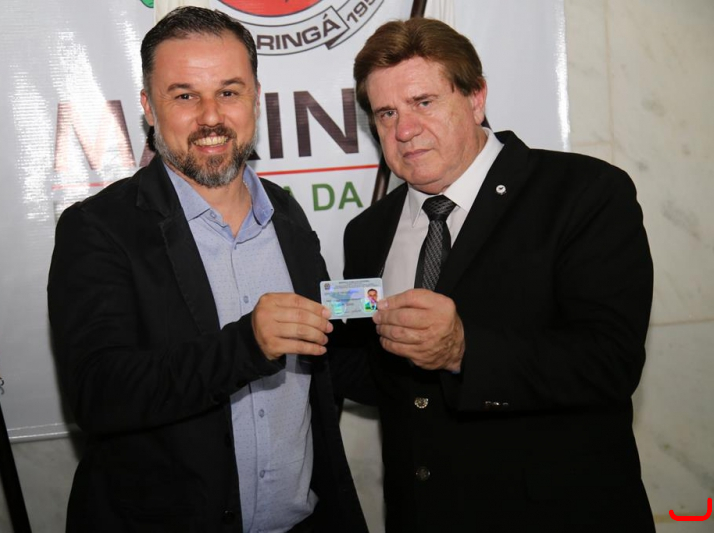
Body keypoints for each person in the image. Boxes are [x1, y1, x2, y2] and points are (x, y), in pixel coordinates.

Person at [47, 7, 367, 533]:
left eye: (229, 92)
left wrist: (405, 340)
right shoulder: (98, 228)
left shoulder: (287, 214)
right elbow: (99, 394)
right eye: (184, 96)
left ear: (255, 98)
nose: (211, 117)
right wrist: (246, 346)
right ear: (149, 108)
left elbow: (326, 363)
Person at [340, 17, 655, 532]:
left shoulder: (583, 193)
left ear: (476, 98)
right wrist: (306, 339)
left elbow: (610, 363)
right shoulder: (367, 232)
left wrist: (464, 351)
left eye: (423, 102)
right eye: (386, 113)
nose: (404, 130)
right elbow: (378, 378)